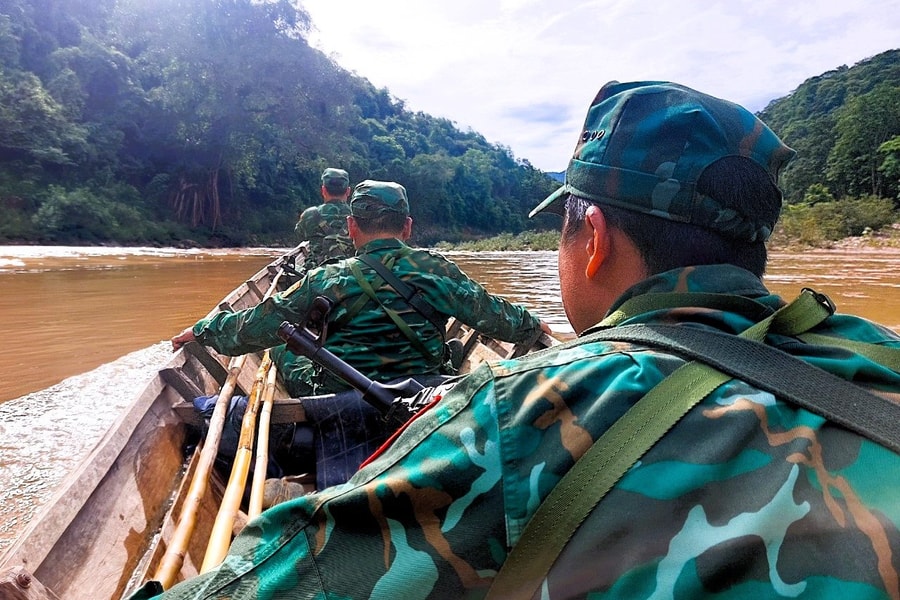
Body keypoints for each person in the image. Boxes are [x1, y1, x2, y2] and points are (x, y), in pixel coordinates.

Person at [142, 82, 900, 600]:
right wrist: (534, 337)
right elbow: (506, 322)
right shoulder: (877, 350)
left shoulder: (516, 412)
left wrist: (204, 333)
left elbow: (260, 325)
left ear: (592, 237)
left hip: (352, 407)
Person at [170, 179, 549, 484]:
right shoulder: (436, 269)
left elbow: (257, 325)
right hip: (426, 390)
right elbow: (493, 314)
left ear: (352, 227)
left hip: (336, 393)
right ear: (408, 227)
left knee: (280, 351)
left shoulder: (326, 279)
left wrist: (203, 331)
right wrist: (534, 324)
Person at [294, 167, 355, 272]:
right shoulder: (358, 216)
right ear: (348, 191)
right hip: (351, 273)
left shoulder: (310, 214)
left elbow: (299, 235)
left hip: (316, 273)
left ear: (323, 190)